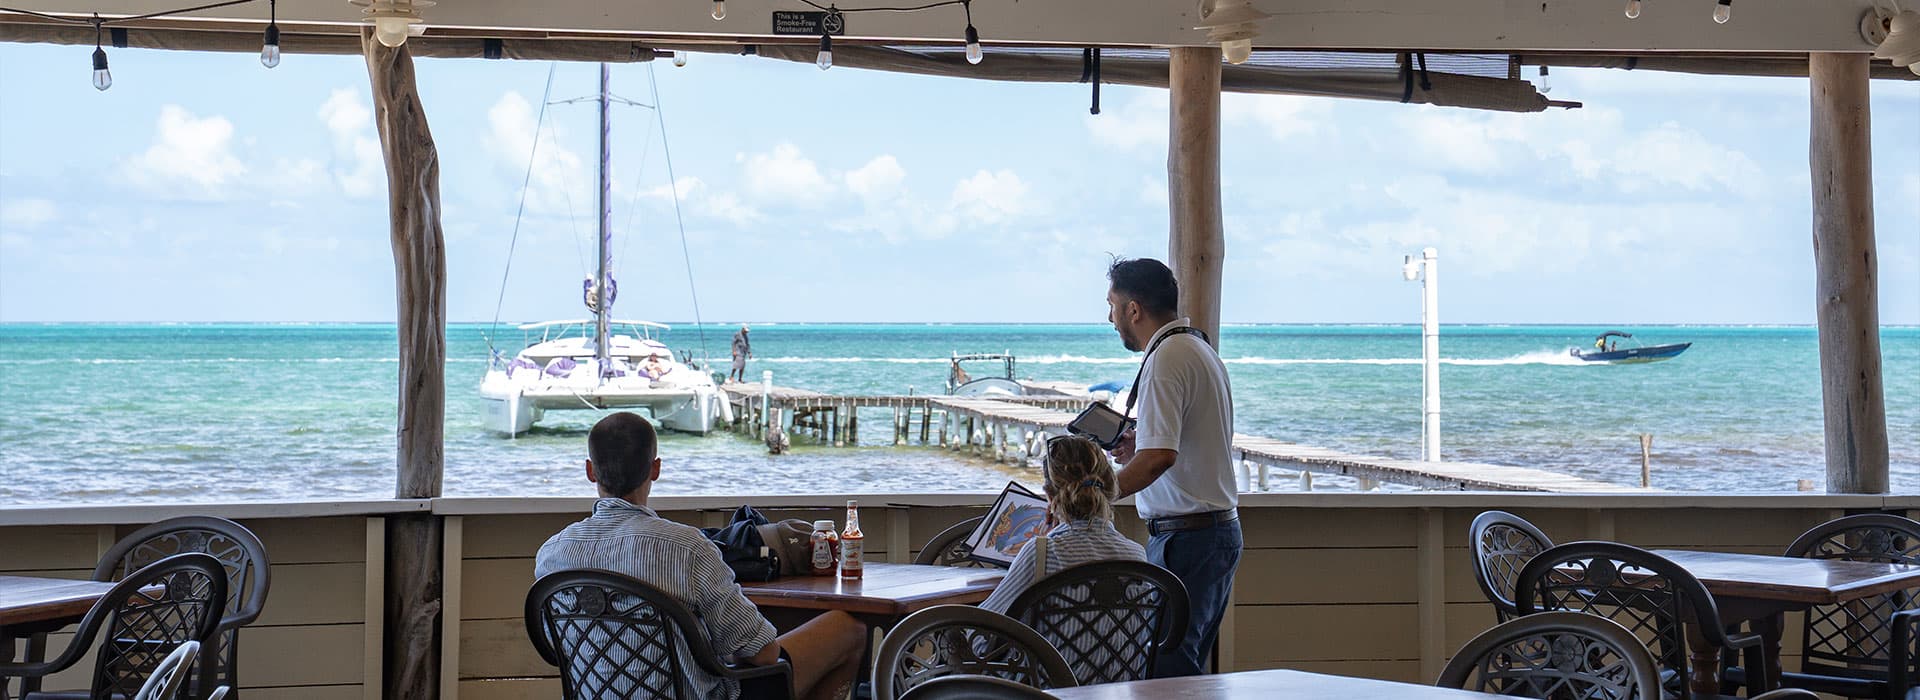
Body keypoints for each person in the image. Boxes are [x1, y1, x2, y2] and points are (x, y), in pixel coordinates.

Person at [535, 412, 866, 700]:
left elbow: (559, 648)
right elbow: (764, 654)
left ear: (590, 471)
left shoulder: (552, 555)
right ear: (656, 469)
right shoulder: (687, 548)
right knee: (848, 629)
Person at [1100, 257, 1239, 678]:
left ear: (1133, 310)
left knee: (1167, 671)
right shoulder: (1197, 348)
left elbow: (1160, 457)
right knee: (1183, 663)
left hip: (1188, 539)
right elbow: (1176, 444)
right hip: (1209, 534)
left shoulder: (1165, 360)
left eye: (1111, 306)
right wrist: (1138, 444)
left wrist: (1094, 496)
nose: (1110, 318)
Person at [979, 434, 1146, 614]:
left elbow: (987, 622)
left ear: (1049, 497)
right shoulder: (1136, 554)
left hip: (1048, 644)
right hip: (1122, 644)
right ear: (1110, 489)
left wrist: (1046, 541)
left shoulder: (1042, 553)